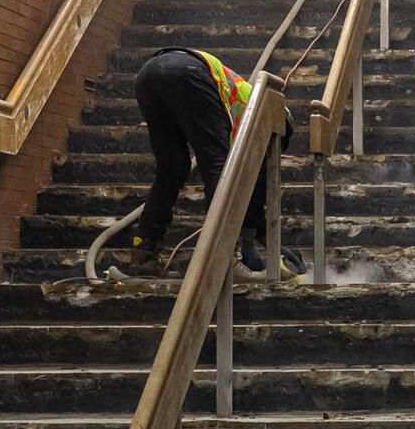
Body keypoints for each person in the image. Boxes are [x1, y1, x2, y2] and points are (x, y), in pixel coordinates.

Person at [115, 46, 294, 278]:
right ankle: (223, 259)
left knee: (172, 170)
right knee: (218, 167)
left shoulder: (245, 103)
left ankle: (144, 255)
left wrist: (270, 241)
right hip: (190, 74)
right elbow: (246, 184)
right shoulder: (256, 114)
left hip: (149, 75)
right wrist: (263, 233)